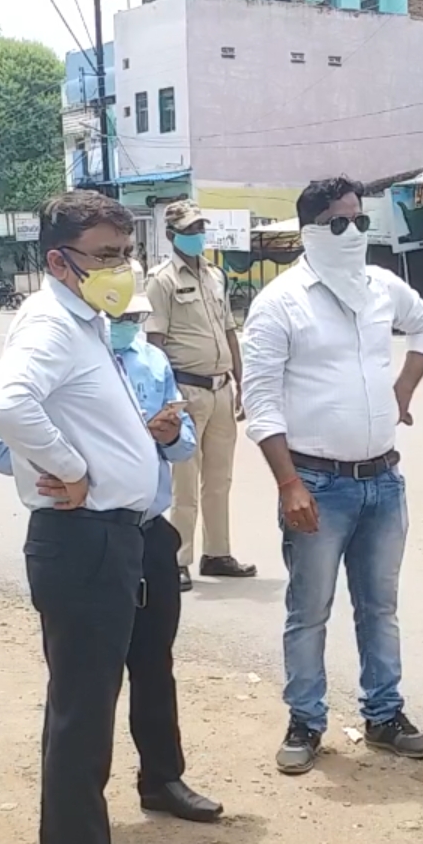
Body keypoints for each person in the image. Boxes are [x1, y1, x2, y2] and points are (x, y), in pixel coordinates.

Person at [0, 191, 172, 844]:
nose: (121, 269)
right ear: (58, 260)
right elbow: (6, 405)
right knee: (80, 721)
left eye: (127, 254)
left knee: (88, 715)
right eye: (105, 256)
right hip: (81, 539)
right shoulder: (49, 324)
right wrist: (69, 466)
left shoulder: (85, 321)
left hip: (107, 537)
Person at [0, 284, 224, 826]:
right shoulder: (54, 355)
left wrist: (163, 438)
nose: (123, 318)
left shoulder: (149, 360)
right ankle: (85, 835)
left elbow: (185, 443)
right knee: (88, 690)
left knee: (154, 663)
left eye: (134, 314)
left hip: (148, 533)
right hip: (89, 534)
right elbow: (6, 450)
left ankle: (162, 778)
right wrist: (81, 461)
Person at [240, 176, 423, 775]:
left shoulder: (381, 287)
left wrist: (401, 389)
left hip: (382, 479)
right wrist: (288, 484)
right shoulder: (280, 303)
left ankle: (384, 715)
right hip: (317, 484)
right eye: (337, 223)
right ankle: (305, 720)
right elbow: (261, 401)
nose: (352, 231)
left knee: (379, 608)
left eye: (359, 220)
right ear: (308, 231)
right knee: (310, 610)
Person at [144, 200, 256, 592]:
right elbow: (155, 340)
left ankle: (218, 552)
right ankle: (177, 558)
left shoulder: (214, 275)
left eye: (200, 230)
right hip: (185, 388)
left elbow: (229, 331)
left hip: (221, 386)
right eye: (189, 231)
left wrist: (242, 382)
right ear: (172, 235)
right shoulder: (161, 280)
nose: (197, 237)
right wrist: (163, 395)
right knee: (185, 482)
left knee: (219, 478)